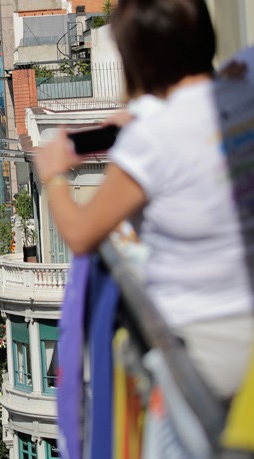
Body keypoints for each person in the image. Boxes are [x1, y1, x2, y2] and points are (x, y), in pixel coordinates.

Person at [35, 0, 253, 400]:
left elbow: (82, 234)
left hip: (206, 351)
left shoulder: (153, 140)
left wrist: (53, 177)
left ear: (137, 57)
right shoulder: (246, 78)